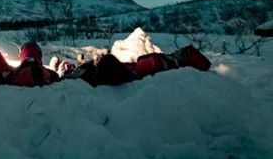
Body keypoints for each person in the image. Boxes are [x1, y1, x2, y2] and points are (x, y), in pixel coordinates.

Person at [56, 44, 211, 87]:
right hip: (129, 70)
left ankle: (65, 65)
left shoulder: (93, 75)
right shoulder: (132, 71)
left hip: (117, 71)